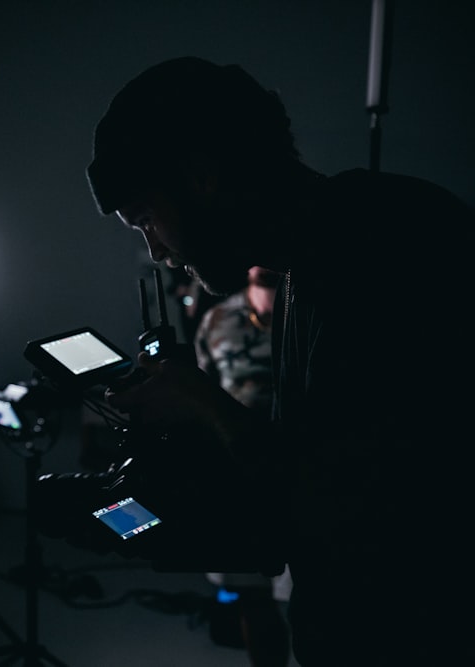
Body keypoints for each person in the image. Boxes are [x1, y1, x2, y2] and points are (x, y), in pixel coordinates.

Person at [78, 57, 475, 665]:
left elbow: (354, 513)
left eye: (147, 220)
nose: (155, 250)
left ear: (201, 177)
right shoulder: (304, 267)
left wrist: (202, 402)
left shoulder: (387, 246)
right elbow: (303, 476)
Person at [194, 266, 291, 666]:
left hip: (303, 475)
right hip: (239, 476)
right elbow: (204, 392)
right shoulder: (218, 320)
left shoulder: (310, 310)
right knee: (251, 595)